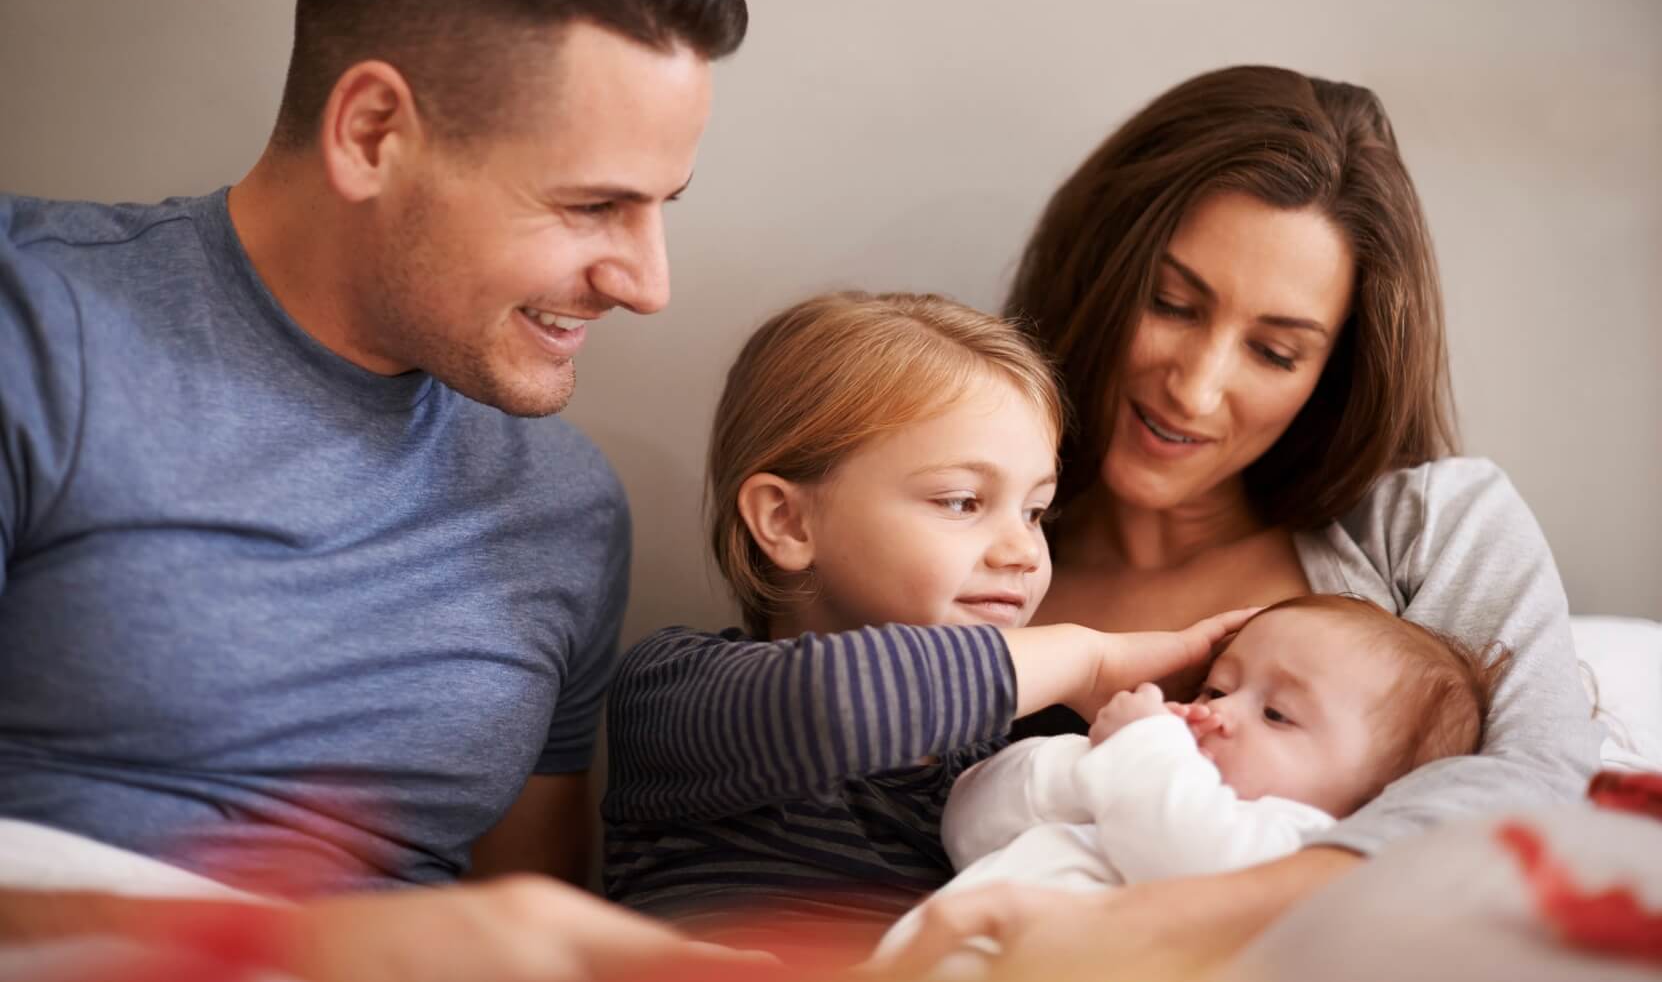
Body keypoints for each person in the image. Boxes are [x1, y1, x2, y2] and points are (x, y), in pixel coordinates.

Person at [0, 0, 756, 979]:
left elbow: (527, 924)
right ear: (371, 134)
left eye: (663, 207)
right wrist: (307, 939)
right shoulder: (37, 327)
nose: (649, 285)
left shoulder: (561, 504)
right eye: (594, 204)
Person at [887, 65, 1604, 979]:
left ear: (1331, 372)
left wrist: (1177, 923)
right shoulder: (963, 548)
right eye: (1172, 304)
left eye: (1274, 350)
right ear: (1100, 271)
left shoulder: (1428, 529)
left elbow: (1539, 797)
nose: (1196, 386)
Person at [600, 291, 1256, 961]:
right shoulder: (675, 689)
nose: (1024, 551)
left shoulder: (1008, 763)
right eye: (962, 501)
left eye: (1035, 512)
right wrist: (1085, 661)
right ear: (787, 522)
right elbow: (837, 707)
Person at [874, 593, 1510, 972]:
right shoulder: (1136, 781)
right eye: (1218, 687)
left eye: (1277, 715)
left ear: (1376, 796)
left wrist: (1142, 750)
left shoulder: (1295, 840)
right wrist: (1082, 766)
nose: (1219, 713)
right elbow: (966, 826)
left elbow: (1190, 857)